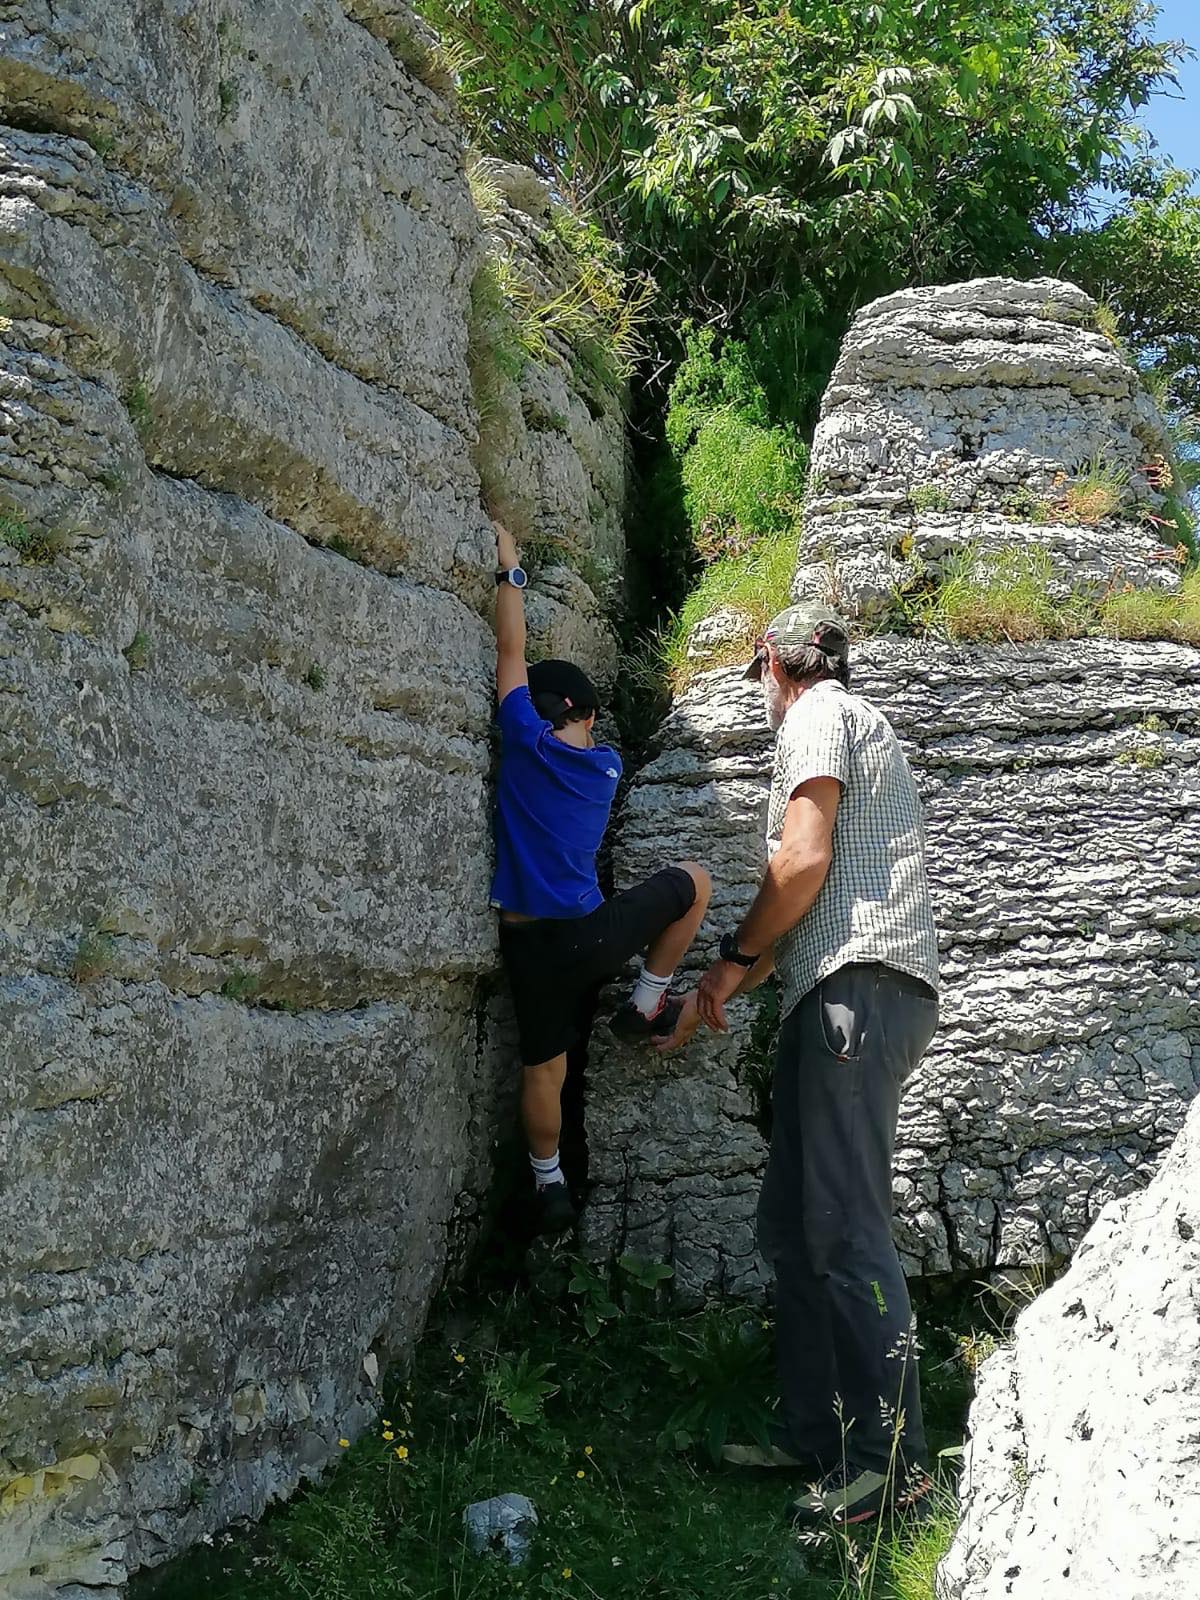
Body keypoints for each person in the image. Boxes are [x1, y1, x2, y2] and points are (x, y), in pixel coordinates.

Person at [661, 602, 939, 1527]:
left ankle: (889, 1466)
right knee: (794, 1225)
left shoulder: (818, 714)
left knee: (848, 1229)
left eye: (759, 684)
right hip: (844, 990)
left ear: (774, 664)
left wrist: (733, 956)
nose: (761, 705)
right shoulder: (858, 726)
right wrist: (724, 986)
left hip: (854, 995)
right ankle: (818, 1436)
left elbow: (803, 861)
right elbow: (808, 900)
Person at [490, 518, 711, 1234]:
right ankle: (645, 1001)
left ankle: (548, 1183)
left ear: (535, 712)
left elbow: (510, 649)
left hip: (526, 947)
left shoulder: (522, 743)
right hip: (590, 937)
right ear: (585, 715)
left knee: (543, 1069)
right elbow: (530, 673)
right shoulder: (606, 767)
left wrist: (509, 569)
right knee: (695, 883)